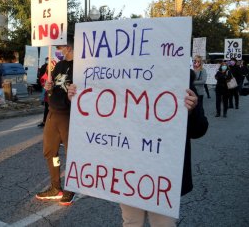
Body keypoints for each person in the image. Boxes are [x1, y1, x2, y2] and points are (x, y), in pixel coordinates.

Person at [67, 70, 209, 226]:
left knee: (163, 224)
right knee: (131, 222)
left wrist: (192, 111)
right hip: (128, 169)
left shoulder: (178, 76)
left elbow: (199, 130)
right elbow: (99, 116)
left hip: (162, 173)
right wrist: (79, 95)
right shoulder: (118, 73)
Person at [35, 38, 75, 206]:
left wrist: (72, 95)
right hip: (53, 114)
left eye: (61, 47)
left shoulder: (81, 67)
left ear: (69, 46)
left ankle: (71, 188)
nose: (59, 50)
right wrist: (49, 88)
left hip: (69, 116)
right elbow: (53, 87)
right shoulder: (58, 65)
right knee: (50, 152)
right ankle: (55, 186)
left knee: (71, 153)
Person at [37, 60, 57, 128]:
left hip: (55, 95)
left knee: (53, 109)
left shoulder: (56, 72)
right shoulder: (47, 73)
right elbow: (43, 79)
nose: (50, 67)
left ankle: (52, 123)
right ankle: (45, 122)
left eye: (52, 65)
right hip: (47, 95)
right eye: (49, 65)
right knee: (46, 108)